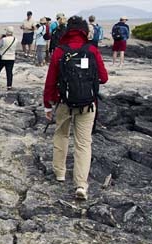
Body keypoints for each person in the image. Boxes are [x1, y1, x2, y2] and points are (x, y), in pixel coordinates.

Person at [43, 15, 108, 200]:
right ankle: (80, 184)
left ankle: (60, 173)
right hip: (88, 104)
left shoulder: (59, 51)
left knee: (61, 135)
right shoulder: (92, 50)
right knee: (83, 143)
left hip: (64, 102)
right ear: (84, 31)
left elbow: (50, 81)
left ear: (67, 30)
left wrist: (48, 105)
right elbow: (104, 78)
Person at [0, 26, 18, 90]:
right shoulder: (15, 39)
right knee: (9, 72)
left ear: (7, 32)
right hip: (11, 58)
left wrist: (0, 38)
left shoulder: (4, 39)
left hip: (3, 57)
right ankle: (9, 86)